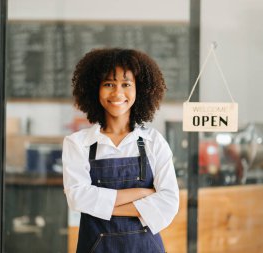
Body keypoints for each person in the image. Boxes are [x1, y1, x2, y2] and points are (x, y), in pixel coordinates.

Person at [62, 48, 179, 253]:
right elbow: (78, 197)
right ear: (94, 89)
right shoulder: (77, 143)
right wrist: (142, 193)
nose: (117, 93)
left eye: (126, 84)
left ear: (139, 90)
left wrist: (101, 207)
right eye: (109, 84)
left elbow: (168, 203)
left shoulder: (154, 142)